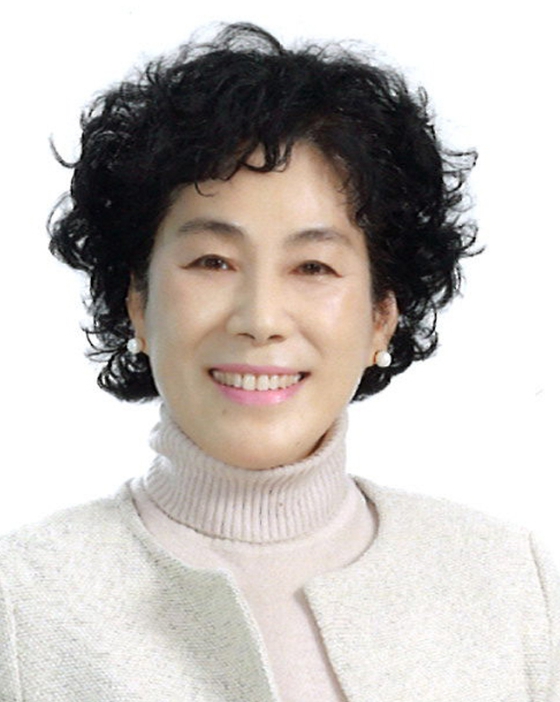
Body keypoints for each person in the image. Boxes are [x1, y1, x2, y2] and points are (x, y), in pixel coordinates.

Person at [0, 22, 558, 702]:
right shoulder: (22, 606)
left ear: (382, 315)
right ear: (138, 303)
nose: (261, 318)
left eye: (313, 266)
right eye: (213, 261)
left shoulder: (513, 585)